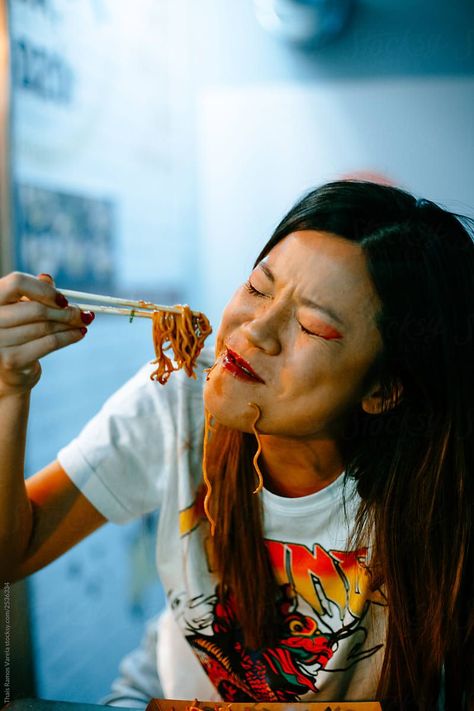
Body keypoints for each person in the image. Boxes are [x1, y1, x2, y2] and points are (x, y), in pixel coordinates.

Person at [0, 180, 472, 709]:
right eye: (258, 287)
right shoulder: (176, 400)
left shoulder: (437, 495)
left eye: (313, 328)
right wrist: (7, 389)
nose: (255, 331)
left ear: (384, 389)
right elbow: (13, 550)